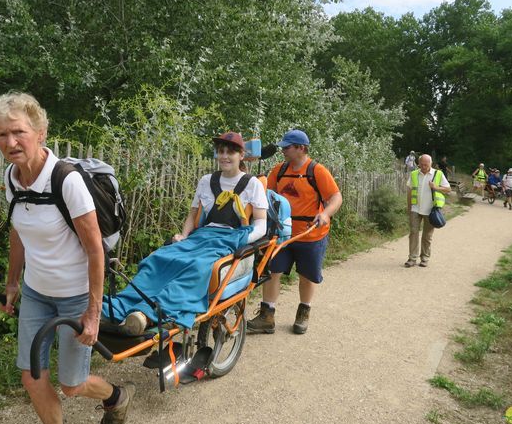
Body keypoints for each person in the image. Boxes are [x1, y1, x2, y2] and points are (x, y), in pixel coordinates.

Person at [0, 92, 133, 424]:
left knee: (73, 385)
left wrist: (93, 314)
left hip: (75, 296)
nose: (11, 141)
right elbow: (19, 231)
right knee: (32, 377)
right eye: (2, 135)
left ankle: (116, 397)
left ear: (40, 133)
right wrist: (12, 283)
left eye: (19, 132)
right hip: (37, 292)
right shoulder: (12, 177)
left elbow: (96, 250)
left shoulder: (67, 181)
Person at [104, 131, 268, 330]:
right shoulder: (206, 181)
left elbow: (261, 224)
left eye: (230, 152)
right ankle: (119, 307)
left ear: (241, 155)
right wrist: (183, 235)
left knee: (197, 266)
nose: (224, 156)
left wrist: (242, 239)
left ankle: (150, 314)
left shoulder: (253, 184)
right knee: (158, 258)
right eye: (221, 151)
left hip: (232, 237)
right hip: (202, 236)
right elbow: (192, 216)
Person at [247, 129, 342, 335]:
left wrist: (325, 214)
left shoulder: (317, 171)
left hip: (311, 234)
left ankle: (303, 312)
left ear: (301, 148)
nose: (282, 151)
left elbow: (336, 197)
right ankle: (267, 316)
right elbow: (264, 195)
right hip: (283, 234)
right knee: (273, 271)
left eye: (287, 147)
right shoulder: (278, 171)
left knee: (306, 276)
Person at [405, 154, 451, 268]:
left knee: (427, 236)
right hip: (415, 209)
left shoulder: (438, 174)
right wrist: (409, 207)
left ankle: (424, 258)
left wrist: (436, 187)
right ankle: (412, 258)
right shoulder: (414, 174)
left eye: (426, 164)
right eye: (422, 164)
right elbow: (410, 191)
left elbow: (448, 189)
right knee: (413, 233)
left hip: (430, 211)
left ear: (430, 163)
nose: (424, 166)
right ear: (418, 163)